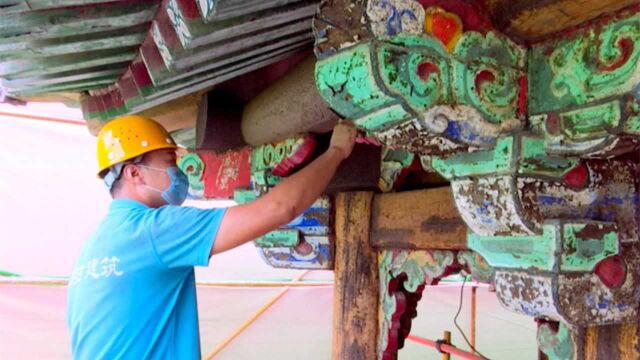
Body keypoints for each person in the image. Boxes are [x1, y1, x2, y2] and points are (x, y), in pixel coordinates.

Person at [67, 115, 357, 359]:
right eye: (169, 160)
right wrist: (336, 152)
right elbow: (279, 208)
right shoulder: (155, 229)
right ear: (134, 173)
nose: (178, 172)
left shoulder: (93, 248)